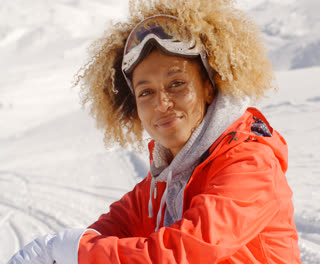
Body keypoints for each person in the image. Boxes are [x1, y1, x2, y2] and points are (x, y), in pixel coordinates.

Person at [8, 0, 301, 263]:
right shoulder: (164, 180)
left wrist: (77, 250)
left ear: (209, 88)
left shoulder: (249, 163)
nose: (161, 104)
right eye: (146, 92)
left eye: (177, 84)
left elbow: (183, 252)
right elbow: (115, 227)